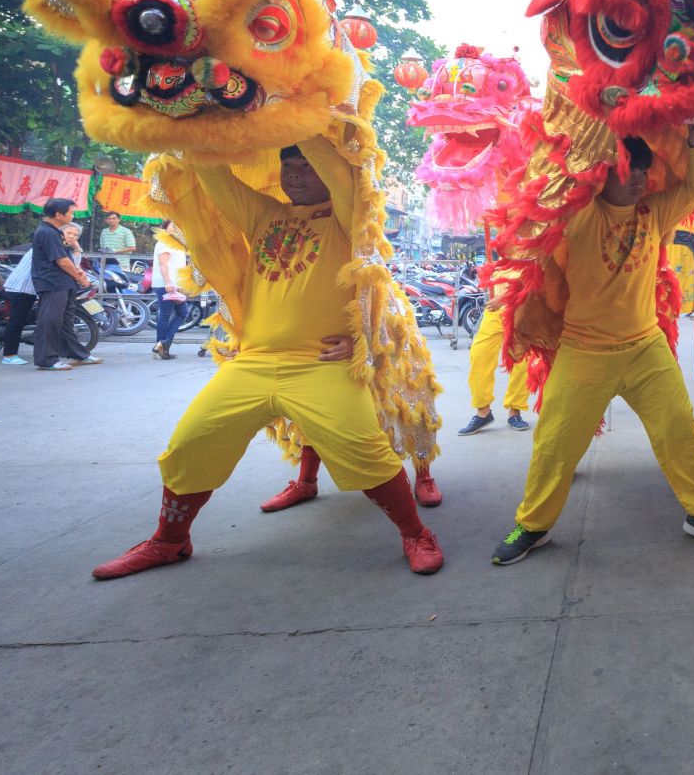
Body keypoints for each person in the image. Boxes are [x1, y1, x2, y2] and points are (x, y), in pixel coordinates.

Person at [91, 142, 444, 578]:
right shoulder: (264, 215)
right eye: (287, 166)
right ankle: (169, 540)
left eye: (305, 165)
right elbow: (211, 166)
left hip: (320, 363)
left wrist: (300, 115)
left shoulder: (345, 216)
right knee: (190, 443)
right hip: (253, 362)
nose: (294, 174)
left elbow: (340, 172)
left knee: (365, 451)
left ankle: (415, 533)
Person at [492, 127, 694, 566]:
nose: (637, 180)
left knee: (679, 429)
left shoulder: (655, 213)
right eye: (627, 171)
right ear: (604, 174)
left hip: (646, 348)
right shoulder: (577, 216)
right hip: (584, 351)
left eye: (643, 172)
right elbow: (535, 203)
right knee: (554, 444)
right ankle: (533, 524)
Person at [30, 198, 97, 371]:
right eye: (70, 212)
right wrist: (80, 278)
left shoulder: (55, 231)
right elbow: (61, 261)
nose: (72, 215)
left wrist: (77, 272)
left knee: (65, 321)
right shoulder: (47, 232)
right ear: (58, 215)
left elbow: (66, 258)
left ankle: (76, 353)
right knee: (50, 320)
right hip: (52, 282)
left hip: (62, 282)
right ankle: (47, 360)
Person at [460, 302, 534, 434]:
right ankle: (483, 411)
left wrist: (504, 298)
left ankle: (515, 411)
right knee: (479, 355)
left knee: (522, 360)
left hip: (523, 309)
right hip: (494, 311)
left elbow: (532, 282)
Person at [151, 220, 189, 361]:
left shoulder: (176, 243)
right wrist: (168, 282)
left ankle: (162, 346)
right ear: (165, 227)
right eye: (173, 225)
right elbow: (163, 265)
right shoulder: (164, 242)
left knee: (181, 313)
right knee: (168, 314)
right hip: (166, 284)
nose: (177, 228)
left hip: (174, 284)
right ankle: (162, 344)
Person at [0, 247, 39, 366]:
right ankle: (9, 355)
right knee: (16, 321)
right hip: (20, 287)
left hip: (29, 289)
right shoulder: (42, 247)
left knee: (19, 321)